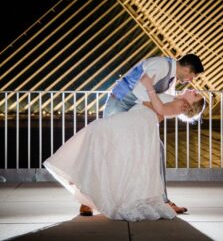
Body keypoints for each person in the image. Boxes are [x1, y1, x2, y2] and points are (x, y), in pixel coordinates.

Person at [42, 73, 206, 221]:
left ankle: (82, 181)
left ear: (190, 106)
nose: (193, 90)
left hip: (135, 125)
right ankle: (83, 183)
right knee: (99, 137)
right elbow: (152, 106)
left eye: (196, 95)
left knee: (98, 132)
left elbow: (159, 111)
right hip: (133, 121)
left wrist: (148, 90)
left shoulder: (180, 105)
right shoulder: (173, 98)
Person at [94, 54, 204, 216]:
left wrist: (157, 108)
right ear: (187, 69)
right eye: (192, 76)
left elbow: (162, 105)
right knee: (109, 150)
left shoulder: (171, 78)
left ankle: (162, 200)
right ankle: (88, 200)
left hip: (134, 112)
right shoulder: (161, 66)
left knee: (155, 151)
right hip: (121, 103)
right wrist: (156, 106)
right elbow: (140, 91)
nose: (190, 80)